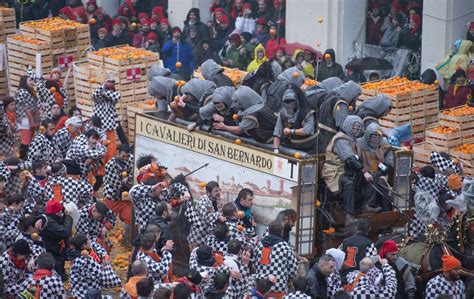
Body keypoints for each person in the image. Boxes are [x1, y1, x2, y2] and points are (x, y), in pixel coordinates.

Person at [356, 123, 394, 212]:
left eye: (378, 137)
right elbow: (355, 161)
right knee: (371, 182)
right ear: (368, 136)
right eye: (373, 137)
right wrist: (364, 172)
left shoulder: (385, 145)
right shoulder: (359, 144)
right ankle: (368, 206)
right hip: (362, 173)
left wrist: (379, 173)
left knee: (383, 185)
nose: (376, 140)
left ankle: (386, 211)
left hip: (380, 174)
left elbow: (389, 165)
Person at [253, 221, 298, 296]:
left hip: (260, 290)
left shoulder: (259, 245)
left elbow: (254, 266)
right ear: (281, 232)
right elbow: (293, 271)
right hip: (278, 289)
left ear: (268, 231)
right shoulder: (285, 247)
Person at [317, 81, 362, 153]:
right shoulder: (341, 104)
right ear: (351, 92)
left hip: (321, 137)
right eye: (356, 96)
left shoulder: (330, 98)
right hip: (330, 139)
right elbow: (343, 126)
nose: (355, 99)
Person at [273, 86, 317, 153]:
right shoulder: (282, 113)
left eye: (291, 101)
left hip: (309, 147)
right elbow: (277, 133)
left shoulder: (307, 111)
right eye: (287, 102)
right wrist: (276, 149)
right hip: (291, 146)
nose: (289, 105)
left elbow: (308, 130)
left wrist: (291, 131)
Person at [92, 80, 127, 160]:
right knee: (100, 148)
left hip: (110, 127)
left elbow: (117, 97)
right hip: (99, 127)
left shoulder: (112, 98)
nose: (109, 91)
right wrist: (103, 86)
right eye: (107, 89)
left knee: (111, 149)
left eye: (111, 89)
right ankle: (101, 169)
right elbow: (95, 95)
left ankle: (109, 164)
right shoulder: (98, 99)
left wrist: (105, 91)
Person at [40, 200, 73, 281]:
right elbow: (64, 232)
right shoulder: (49, 222)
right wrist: (68, 218)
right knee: (56, 263)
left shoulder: (50, 217)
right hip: (51, 248)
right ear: (56, 212)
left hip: (57, 246)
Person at [187, 181, 223, 249]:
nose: (218, 193)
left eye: (219, 190)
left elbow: (219, 212)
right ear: (209, 192)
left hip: (208, 238)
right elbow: (207, 218)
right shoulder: (202, 201)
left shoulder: (218, 200)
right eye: (216, 191)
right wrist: (220, 214)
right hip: (198, 238)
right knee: (195, 258)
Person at [103, 144, 134, 225]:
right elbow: (116, 184)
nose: (125, 158)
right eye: (123, 156)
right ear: (117, 152)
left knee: (129, 218)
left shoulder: (131, 158)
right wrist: (128, 181)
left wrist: (128, 177)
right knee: (108, 219)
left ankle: (127, 235)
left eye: (127, 156)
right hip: (113, 195)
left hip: (126, 195)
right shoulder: (110, 165)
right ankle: (106, 235)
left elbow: (134, 171)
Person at [15, 74, 41, 151]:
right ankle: (23, 157)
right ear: (24, 82)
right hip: (24, 119)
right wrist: (20, 117)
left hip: (32, 117)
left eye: (32, 80)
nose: (32, 82)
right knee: (26, 140)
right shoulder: (21, 92)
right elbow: (18, 105)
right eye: (30, 80)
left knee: (30, 139)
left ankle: (28, 156)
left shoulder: (31, 91)